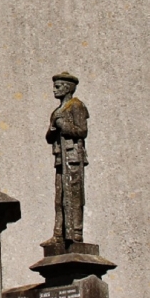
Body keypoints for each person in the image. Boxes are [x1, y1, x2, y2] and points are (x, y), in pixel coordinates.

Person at [46, 72, 89, 243]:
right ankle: (59, 234)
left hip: (72, 157)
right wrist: (53, 129)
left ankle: (75, 233)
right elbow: (49, 137)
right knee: (60, 197)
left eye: (58, 86)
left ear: (68, 88)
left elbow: (82, 131)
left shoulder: (76, 106)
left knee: (74, 194)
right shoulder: (57, 111)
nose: (54, 90)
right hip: (60, 159)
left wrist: (64, 126)